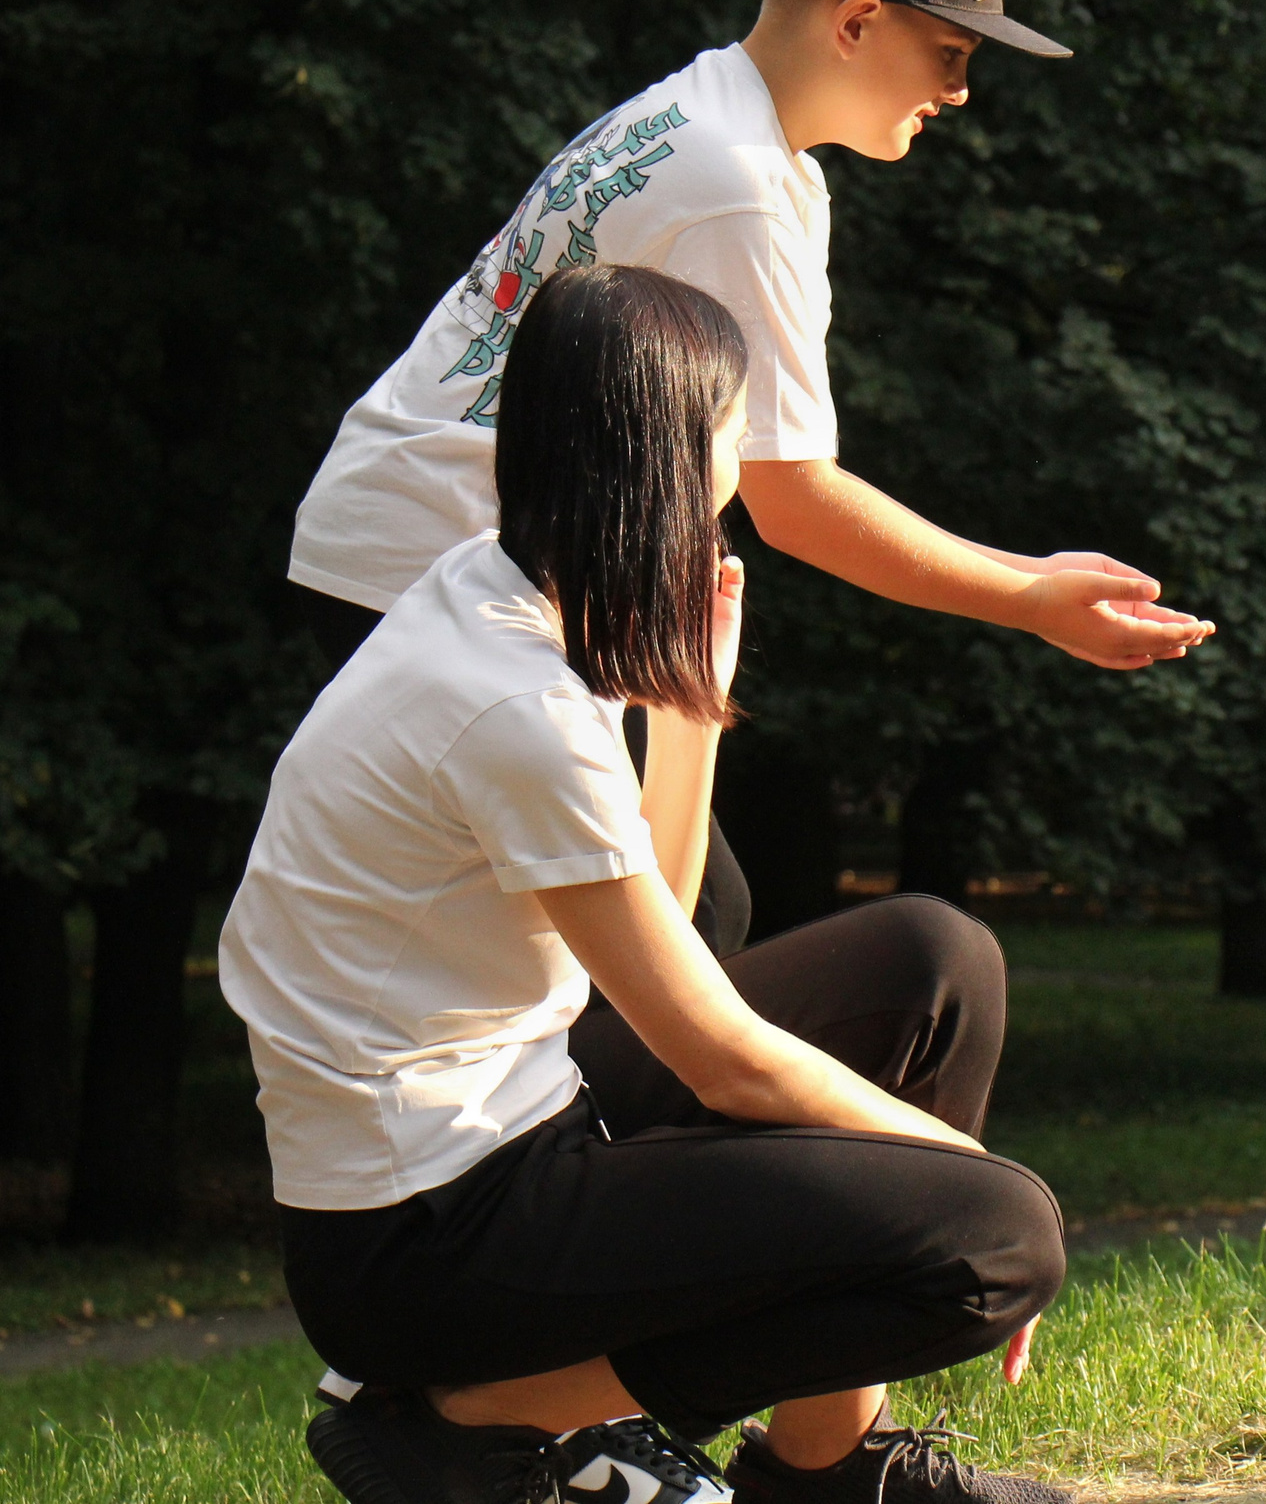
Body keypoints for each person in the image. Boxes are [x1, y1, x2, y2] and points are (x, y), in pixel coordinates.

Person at [222, 263, 1069, 1504]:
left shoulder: (511, 593)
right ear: (669, 458)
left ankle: (826, 1470)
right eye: (733, 428)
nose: (746, 456)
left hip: (510, 1119)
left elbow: (662, 938)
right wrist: (967, 1168)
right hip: (420, 1241)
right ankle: (470, 1422)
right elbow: (721, 1054)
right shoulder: (510, 698)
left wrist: (692, 709)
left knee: (933, 969)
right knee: (997, 1242)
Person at [285, 0, 1211, 953]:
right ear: (859, 21)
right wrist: (1031, 600)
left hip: (416, 561)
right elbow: (793, 503)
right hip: (442, 577)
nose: (961, 92)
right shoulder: (739, 188)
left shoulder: (705, 112)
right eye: (953, 52)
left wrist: (1035, 581)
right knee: (662, 943)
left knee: (676, 924)